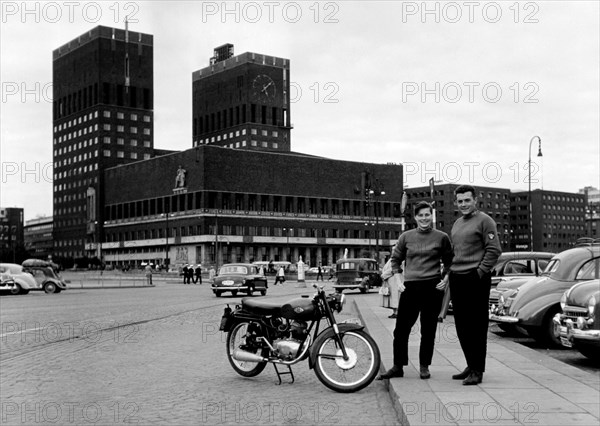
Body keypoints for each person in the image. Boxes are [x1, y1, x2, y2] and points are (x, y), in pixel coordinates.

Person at [378, 201, 453, 381]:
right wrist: (398, 280)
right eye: (420, 215)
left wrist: (445, 279)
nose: (424, 218)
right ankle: (398, 366)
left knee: (428, 330)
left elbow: (450, 262)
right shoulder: (406, 237)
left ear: (432, 216)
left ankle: (424, 366)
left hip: (432, 287)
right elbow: (395, 260)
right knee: (401, 330)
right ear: (415, 217)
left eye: (427, 214)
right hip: (411, 287)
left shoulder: (441, 237)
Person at [449, 185, 501, 386]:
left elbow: (494, 250)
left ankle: (478, 370)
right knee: (462, 326)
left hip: (476, 278)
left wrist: (479, 272)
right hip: (457, 277)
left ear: (475, 200)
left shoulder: (485, 221)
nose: (463, 204)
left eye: (467, 200)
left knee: (477, 326)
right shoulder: (457, 223)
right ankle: (470, 364)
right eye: (460, 201)